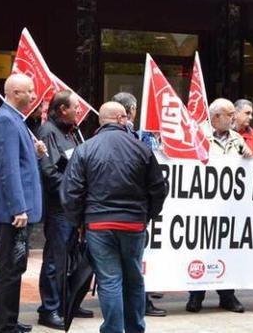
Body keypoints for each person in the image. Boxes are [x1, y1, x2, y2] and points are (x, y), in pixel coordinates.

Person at [61, 102, 168, 333]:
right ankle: (135, 328)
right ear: (121, 119)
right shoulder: (141, 149)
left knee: (110, 280)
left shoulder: (85, 149)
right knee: (134, 278)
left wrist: (80, 222)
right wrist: (146, 215)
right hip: (133, 224)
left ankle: (112, 329)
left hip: (99, 224)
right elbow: (159, 189)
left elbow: (70, 192)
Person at [0, 74, 47, 333]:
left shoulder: (14, 119)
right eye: (29, 91)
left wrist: (34, 152)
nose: (34, 96)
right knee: (10, 267)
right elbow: (8, 167)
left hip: (19, 209)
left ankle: (8, 319)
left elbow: (18, 160)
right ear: (14, 92)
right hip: (14, 211)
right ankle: (4, 323)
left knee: (15, 265)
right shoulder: (5, 120)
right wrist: (18, 207)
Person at [186, 99, 248, 314]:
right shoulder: (197, 135)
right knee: (202, 249)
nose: (234, 118)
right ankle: (196, 295)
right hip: (203, 205)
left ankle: (227, 296)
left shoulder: (237, 139)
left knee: (228, 250)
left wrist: (249, 156)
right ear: (215, 117)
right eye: (230, 114)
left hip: (229, 207)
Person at [36, 91, 91, 329]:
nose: (79, 110)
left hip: (74, 206)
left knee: (73, 258)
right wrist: (73, 190)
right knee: (55, 260)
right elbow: (49, 172)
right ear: (62, 109)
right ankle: (49, 309)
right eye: (75, 107)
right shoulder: (48, 132)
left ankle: (68, 302)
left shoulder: (72, 131)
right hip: (60, 208)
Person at [111, 91, 167, 318]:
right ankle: (138, 308)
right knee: (133, 267)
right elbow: (155, 183)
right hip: (133, 215)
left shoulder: (99, 140)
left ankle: (123, 311)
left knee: (115, 272)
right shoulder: (135, 141)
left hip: (109, 216)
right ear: (130, 111)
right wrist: (149, 213)